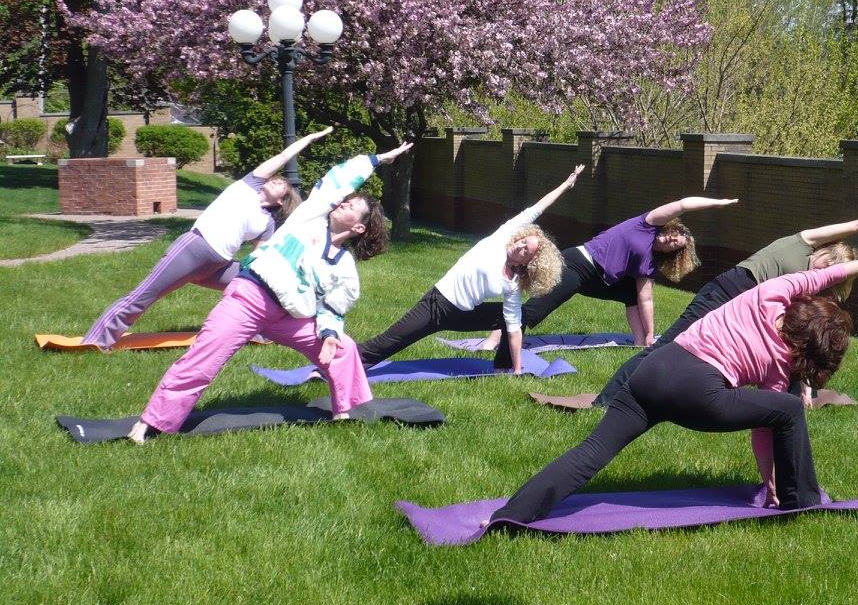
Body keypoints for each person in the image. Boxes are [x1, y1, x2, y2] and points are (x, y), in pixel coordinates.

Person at [488, 242, 858, 525]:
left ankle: (513, 513)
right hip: (698, 393)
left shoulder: (769, 292)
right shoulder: (780, 367)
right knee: (790, 410)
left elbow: (821, 276)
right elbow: (767, 428)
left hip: (652, 372)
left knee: (592, 453)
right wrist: (771, 481)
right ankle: (801, 500)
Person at [125, 140, 414, 444]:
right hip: (249, 298)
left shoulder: (343, 265)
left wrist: (329, 335)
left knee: (343, 348)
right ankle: (152, 421)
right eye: (346, 201)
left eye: (352, 207)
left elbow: (334, 306)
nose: (344, 203)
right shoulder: (311, 216)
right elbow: (338, 179)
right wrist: (377, 158)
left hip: (288, 317)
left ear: (358, 229)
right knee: (203, 360)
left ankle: (349, 410)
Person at [592, 217, 858, 407]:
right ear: (825, 249)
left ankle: (797, 402)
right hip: (724, 292)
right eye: (830, 260)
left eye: (837, 270)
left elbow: (794, 339)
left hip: (740, 316)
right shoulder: (802, 242)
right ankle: (607, 399)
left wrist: (805, 386)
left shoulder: (809, 288)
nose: (825, 267)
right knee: (668, 347)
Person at [80, 129, 338, 351]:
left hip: (218, 265)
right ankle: (97, 340)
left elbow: (257, 258)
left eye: (283, 185)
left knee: (261, 287)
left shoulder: (267, 223)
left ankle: (261, 330)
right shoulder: (247, 185)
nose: (277, 180)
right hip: (193, 249)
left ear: (281, 201)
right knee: (145, 294)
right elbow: (282, 158)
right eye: (276, 178)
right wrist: (310, 139)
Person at [355, 165, 584, 375]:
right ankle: (343, 363)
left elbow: (514, 329)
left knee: (513, 318)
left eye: (526, 251)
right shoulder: (502, 237)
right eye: (524, 241)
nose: (521, 245)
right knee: (389, 342)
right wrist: (566, 184)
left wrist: (517, 369)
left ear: (529, 264)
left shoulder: (512, 282)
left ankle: (502, 367)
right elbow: (538, 208)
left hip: (461, 315)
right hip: (437, 305)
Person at [483, 197, 740, 370]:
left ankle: (641, 342)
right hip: (579, 263)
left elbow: (645, 298)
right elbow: (683, 204)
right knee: (536, 311)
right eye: (673, 235)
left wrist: (652, 335)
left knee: (631, 291)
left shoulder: (649, 263)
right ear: (668, 228)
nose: (671, 240)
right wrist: (717, 203)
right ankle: (496, 337)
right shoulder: (647, 224)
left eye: (675, 245)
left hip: (599, 278)